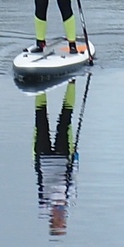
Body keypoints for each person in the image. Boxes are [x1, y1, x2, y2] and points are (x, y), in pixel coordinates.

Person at [33, 81, 81, 236]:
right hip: (63, 157)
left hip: (43, 158)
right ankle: (72, 82)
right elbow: (73, 175)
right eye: (63, 222)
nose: (62, 219)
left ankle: (38, 82)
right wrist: (76, 157)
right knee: (65, 118)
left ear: (52, 220)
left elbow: (39, 181)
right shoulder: (70, 197)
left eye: (59, 222)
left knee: (40, 119)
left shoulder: (43, 205)